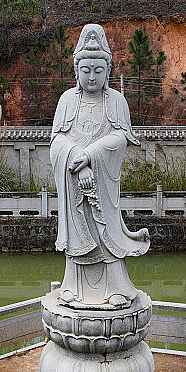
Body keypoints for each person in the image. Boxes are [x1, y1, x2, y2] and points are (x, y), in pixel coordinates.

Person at [50, 24, 150, 309]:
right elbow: (56, 142)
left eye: (98, 70)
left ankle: (116, 288)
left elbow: (120, 138)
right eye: (86, 70)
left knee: (106, 232)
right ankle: (73, 287)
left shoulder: (116, 100)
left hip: (103, 184)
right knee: (78, 232)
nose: (91, 76)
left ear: (107, 71)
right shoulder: (67, 101)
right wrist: (77, 162)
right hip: (74, 180)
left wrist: (91, 155)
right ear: (76, 70)